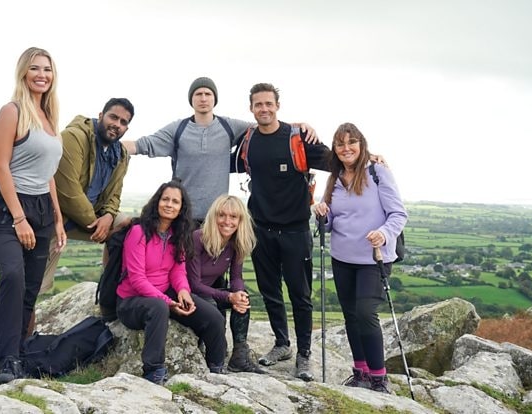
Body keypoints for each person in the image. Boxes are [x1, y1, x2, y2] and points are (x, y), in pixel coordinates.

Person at [232, 83, 331, 382]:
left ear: (277, 105)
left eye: (268, 103)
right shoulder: (247, 140)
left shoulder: (298, 138)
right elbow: (222, 162)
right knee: (270, 291)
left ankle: (304, 355)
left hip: (295, 229)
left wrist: (370, 157)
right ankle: (282, 344)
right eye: (258, 104)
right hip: (260, 228)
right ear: (251, 109)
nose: (264, 108)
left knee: (300, 296)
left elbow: (336, 161)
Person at [122, 77, 318, 223]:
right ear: (191, 99)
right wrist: (110, 143)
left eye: (208, 94)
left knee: (212, 274)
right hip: (182, 215)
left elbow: (266, 125)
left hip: (217, 218)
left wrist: (298, 126)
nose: (203, 98)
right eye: (198, 94)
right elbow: (143, 145)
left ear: (215, 99)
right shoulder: (178, 129)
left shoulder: (228, 127)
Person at [0, 47, 66, 385]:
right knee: (13, 278)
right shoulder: (12, 111)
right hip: (9, 211)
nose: (42, 74)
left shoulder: (49, 119)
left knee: (31, 290)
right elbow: (0, 166)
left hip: (43, 211)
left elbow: (48, 174)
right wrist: (19, 219)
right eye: (35, 68)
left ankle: (16, 354)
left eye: (47, 69)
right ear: (23, 73)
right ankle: (5, 360)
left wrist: (58, 219)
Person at [312, 122, 407, 393]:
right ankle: (360, 372)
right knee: (351, 316)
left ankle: (379, 378)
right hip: (342, 258)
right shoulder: (334, 178)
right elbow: (330, 224)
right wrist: (322, 213)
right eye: (340, 144)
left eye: (351, 142)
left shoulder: (378, 172)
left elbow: (398, 214)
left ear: (361, 145)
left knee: (366, 313)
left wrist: (384, 233)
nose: (346, 148)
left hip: (374, 258)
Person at [115, 180, 228, 385]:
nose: (169, 204)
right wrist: (167, 301)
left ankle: (216, 368)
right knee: (158, 307)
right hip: (132, 301)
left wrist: (183, 291)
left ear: (181, 208)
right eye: (165, 199)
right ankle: (153, 371)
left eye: (175, 201)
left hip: (165, 293)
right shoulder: (138, 233)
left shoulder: (178, 236)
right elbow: (137, 279)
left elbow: (178, 270)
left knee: (214, 318)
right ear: (157, 202)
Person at [41, 98, 135, 293]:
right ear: (101, 116)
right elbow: (68, 192)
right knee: (36, 283)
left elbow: (115, 194)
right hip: (56, 216)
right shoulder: (74, 137)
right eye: (113, 117)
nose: (117, 124)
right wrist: (98, 225)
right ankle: (25, 315)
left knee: (127, 227)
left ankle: (109, 289)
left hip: (92, 216)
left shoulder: (121, 155)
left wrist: (109, 217)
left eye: (123, 122)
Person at [186, 195, 265, 374]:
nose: (227, 221)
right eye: (222, 215)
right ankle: (214, 361)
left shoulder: (236, 242)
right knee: (213, 306)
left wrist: (238, 295)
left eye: (233, 217)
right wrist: (229, 296)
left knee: (243, 297)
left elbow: (236, 277)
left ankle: (239, 356)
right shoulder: (198, 238)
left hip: (209, 292)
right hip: (189, 293)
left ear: (240, 220)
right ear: (214, 217)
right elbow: (194, 283)